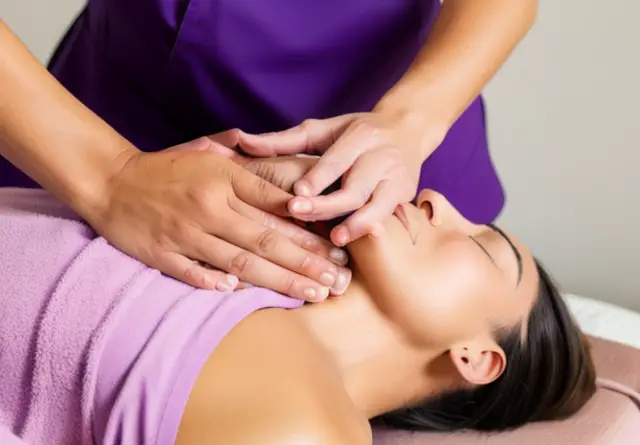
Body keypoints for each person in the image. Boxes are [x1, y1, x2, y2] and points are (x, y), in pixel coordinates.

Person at [0, 0, 538, 294]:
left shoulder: (421, 231)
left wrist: (411, 121)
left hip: (392, 148)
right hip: (96, 132)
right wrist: (109, 178)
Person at [0, 182, 596, 445]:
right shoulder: (238, 239)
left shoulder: (310, 435)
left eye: (483, 246)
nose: (436, 200)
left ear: (475, 357)